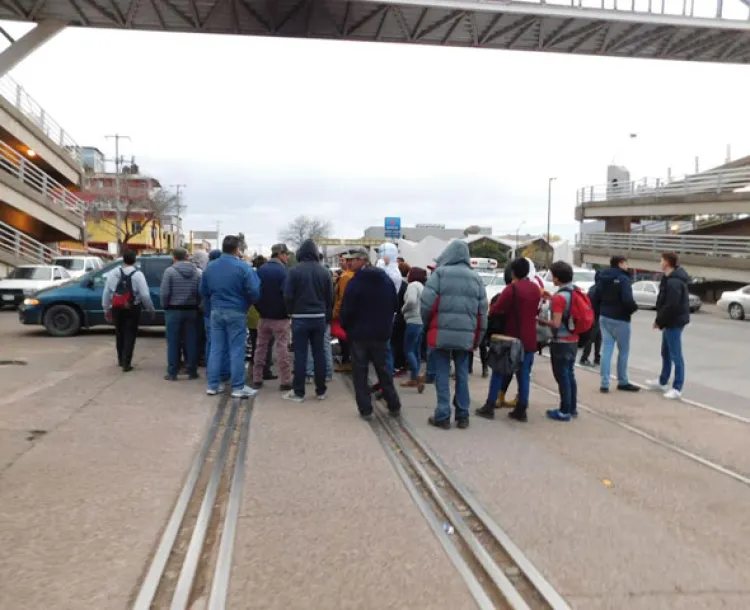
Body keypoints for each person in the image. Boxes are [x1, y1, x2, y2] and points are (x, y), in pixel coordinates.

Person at [421, 241, 488, 430]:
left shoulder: (439, 274)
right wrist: (479, 338)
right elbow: (483, 312)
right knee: (462, 374)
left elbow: (426, 304)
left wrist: (427, 325)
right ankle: (463, 414)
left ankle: (442, 415)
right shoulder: (476, 278)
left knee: (442, 373)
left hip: (441, 331)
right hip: (466, 335)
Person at [476, 257, 541, 422]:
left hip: (510, 338)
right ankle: (521, 408)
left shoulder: (512, 289)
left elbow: (497, 310)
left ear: (512, 272)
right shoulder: (535, 289)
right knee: (524, 374)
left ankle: (490, 405)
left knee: (498, 371)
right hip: (529, 338)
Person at [340, 247, 401, 419]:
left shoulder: (355, 283)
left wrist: (348, 328)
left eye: (353, 259)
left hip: (359, 335)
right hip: (380, 334)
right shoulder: (386, 281)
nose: (349, 262)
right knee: (383, 371)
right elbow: (395, 305)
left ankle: (366, 409)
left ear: (362, 261)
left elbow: (346, 310)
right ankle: (393, 404)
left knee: (360, 373)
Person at [201, 235, 261, 398]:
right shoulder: (243, 267)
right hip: (236, 311)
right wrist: (246, 303)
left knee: (216, 348)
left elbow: (203, 291)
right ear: (237, 249)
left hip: (216, 310)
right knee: (236, 349)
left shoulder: (210, 267)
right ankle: (237, 387)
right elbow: (254, 292)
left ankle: (213, 385)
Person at [283, 239, 333, 403]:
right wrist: (326, 313)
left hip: (299, 318)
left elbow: (288, 295)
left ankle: (299, 392)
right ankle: (321, 390)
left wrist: (290, 311)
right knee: (319, 354)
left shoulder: (293, 271)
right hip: (319, 317)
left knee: (300, 355)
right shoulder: (325, 272)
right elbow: (330, 297)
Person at [538, 261, 580, 422]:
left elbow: (555, 323)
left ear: (556, 278)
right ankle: (572, 408)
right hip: (573, 339)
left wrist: (539, 320)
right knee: (569, 374)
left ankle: (564, 411)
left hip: (561, 340)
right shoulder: (574, 291)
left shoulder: (560, 298)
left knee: (561, 376)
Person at [592, 255, 639, 393]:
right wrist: (633, 308)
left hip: (604, 316)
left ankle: (604, 382)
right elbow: (627, 299)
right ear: (620, 263)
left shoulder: (602, 277)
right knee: (623, 351)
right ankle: (622, 380)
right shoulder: (624, 279)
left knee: (607, 349)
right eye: (626, 263)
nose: (627, 265)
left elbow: (596, 295)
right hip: (621, 318)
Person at [102, 249, 154, 372]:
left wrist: (106, 309)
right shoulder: (138, 274)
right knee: (130, 334)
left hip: (116, 307)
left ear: (123, 259)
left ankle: (120, 359)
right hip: (132, 307)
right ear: (134, 260)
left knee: (119, 333)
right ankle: (127, 363)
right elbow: (145, 295)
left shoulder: (114, 272)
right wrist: (150, 309)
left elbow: (107, 292)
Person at [647, 251, 690, 399]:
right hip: (669, 321)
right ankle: (662, 381)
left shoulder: (674, 281)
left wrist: (659, 321)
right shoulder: (668, 278)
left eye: (661, 260)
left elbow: (672, 305)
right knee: (665, 352)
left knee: (676, 355)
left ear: (667, 262)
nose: (660, 263)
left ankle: (677, 388)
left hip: (674, 322)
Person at [252, 244, 292, 391]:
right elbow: (287, 295)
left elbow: (254, 292)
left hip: (263, 316)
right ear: (280, 255)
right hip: (281, 318)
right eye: (286, 254)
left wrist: (260, 308)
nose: (288, 257)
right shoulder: (284, 272)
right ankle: (285, 381)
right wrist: (288, 312)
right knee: (282, 349)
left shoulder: (260, 271)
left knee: (260, 348)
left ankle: (257, 377)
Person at [161, 247, 202, 381]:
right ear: (186, 257)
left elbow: (165, 293)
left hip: (174, 310)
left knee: (173, 342)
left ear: (174, 257)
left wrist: (165, 305)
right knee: (191, 341)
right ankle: (192, 371)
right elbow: (200, 292)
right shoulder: (197, 272)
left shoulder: (170, 272)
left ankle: (173, 372)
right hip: (191, 310)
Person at [400, 266, 427, 391]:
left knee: (408, 350)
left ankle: (415, 377)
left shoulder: (412, 286)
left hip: (412, 320)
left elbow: (411, 301)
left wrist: (402, 310)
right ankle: (414, 377)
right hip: (421, 321)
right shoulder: (422, 286)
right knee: (416, 350)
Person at [333, 251, 355, 372]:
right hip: (351, 311)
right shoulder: (350, 275)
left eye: (342, 260)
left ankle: (347, 361)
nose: (340, 263)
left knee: (344, 338)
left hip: (344, 311)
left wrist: (335, 313)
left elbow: (341, 297)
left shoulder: (346, 276)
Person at [580, 280, 601, 367]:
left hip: (592, 315)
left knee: (598, 338)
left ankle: (597, 358)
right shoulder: (598, 290)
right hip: (594, 316)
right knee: (591, 338)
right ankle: (584, 358)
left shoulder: (593, 288)